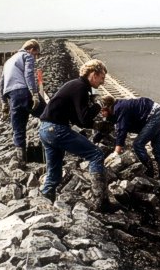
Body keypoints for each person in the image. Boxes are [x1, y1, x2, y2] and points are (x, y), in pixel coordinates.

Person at [38, 59, 108, 209]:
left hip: (45, 129)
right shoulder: (81, 87)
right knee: (96, 154)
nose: (103, 82)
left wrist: (94, 125)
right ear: (94, 74)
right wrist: (99, 104)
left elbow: (79, 121)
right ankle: (100, 201)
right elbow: (84, 117)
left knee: (54, 173)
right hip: (56, 129)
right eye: (102, 78)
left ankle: (44, 204)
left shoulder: (75, 85)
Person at [100, 96, 160, 192]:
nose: (101, 114)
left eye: (102, 111)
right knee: (158, 149)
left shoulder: (119, 108)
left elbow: (122, 131)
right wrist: (96, 139)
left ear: (107, 107)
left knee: (138, 144)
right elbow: (109, 126)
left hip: (153, 115)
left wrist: (116, 152)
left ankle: (150, 172)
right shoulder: (114, 111)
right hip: (155, 112)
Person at [0, 39, 42, 167]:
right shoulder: (26, 56)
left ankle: (21, 161)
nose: (36, 57)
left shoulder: (9, 61)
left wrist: (4, 102)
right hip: (24, 91)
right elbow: (28, 74)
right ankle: (56, 146)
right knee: (47, 114)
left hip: (12, 96)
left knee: (18, 128)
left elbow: (1, 82)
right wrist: (34, 93)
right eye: (36, 54)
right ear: (31, 49)